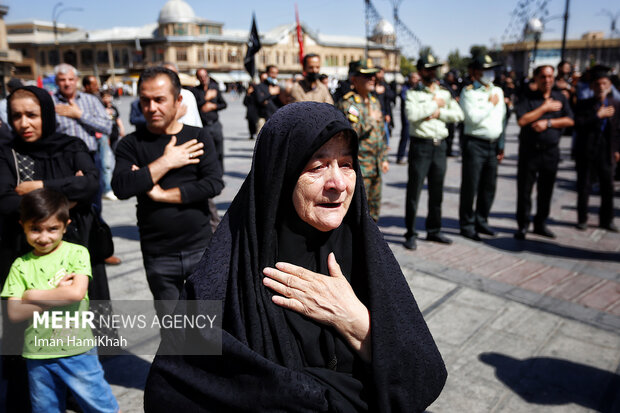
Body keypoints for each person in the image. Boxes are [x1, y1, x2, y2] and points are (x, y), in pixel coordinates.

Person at [144, 101, 447, 412]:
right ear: (280, 175)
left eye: (346, 164)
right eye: (317, 167)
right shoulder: (224, 272)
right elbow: (172, 389)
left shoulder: (366, 253)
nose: (339, 184)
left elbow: (423, 377)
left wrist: (355, 322)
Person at [0, 85, 114, 412]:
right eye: (16, 116)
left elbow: (91, 183)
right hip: (25, 250)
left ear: (47, 115)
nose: (24, 123)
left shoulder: (70, 145)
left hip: (74, 245)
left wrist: (38, 188)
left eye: (32, 115)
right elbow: (4, 199)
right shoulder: (5, 152)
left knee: (78, 320)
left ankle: (80, 390)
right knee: (26, 330)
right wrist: (66, 196)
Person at [111, 67, 224, 318]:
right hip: (158, 254)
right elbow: (121, 187)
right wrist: (166, 162)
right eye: (145, 100)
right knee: (173, 333)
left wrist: (162, 194)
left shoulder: (197, 137)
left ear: (178, 101)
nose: (151, 108)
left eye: (159, 100)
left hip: (200, 248)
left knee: (208, 327)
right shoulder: (131, 144)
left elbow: (213, 184)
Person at [1, 188, 119, 413]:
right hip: (38, 355)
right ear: (22, 225)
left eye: (52, 229)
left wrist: (32, 295)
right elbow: (14, 313)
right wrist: (57, 294)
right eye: (35, 229)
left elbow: (75, 294)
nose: (44, 237)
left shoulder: (77, 253)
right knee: (46, 408)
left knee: (101, 405)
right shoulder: (20, 265)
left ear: (65, 225)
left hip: (77, 350)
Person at [404, 54, 464, 250]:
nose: (432, 72)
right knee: (414, 190)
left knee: (437, 191)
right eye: (428, 69)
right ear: (420, 71)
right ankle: (411, 232)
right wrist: (434, 104)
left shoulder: (444, 92)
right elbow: (412, 115)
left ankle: (434, 230)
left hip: (440, 146)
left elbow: (458, 114)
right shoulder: (413, 93)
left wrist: (439, 113)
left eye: (434, 68)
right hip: (421, 146)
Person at [514, 65, 574, 240]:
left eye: (550, 76)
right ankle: (523, 225)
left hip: (550, 152)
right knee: (524, 190)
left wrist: (548, 123)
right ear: (536, 78)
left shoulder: (560, 97)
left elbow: (570, 120)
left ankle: (541, 223)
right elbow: (522, 120)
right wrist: (544, 109)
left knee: (546, 190)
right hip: (529, 151)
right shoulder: (527, 97)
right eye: (543, 77)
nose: (547, 80)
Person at [458, 55, 506, 241]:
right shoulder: (469, 93)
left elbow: (500, 119)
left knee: (489, 185)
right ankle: (467, 224)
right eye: (486, 69)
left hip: (492, 144)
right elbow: (472, 118)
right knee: (471, 185)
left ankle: (482, 219)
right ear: (476, 72)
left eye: (491, 69)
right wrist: (489, 104)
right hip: (475, 143)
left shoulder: (498, 91)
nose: (489, 73)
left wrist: (501, 144)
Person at [338, 59, 389, 222]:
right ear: (354, 79)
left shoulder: (374, 102)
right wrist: (370, 121)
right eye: (367, 76)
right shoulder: (349, 103)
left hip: (375, 165)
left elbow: (381, 133)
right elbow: (349, 135)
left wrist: (384, 158)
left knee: (374, 212)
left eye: (373, 76)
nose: (372, 79)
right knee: (358, 212)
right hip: (359, 166)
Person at [574, 68, 620, 231]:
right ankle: (582, 218)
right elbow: (577, 124)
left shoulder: (616, 104)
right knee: (584, 186)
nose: (601, 87)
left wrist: (617, 149)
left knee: (608, 187)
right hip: (586, 150)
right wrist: (597, 116)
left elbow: (617, 130)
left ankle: (607, 220)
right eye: (597, 84)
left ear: (609, 85)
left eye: (604, 84)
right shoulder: (583, 104)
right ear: (592, 86)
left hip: (607, 151)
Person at [82, 74, 117, 202]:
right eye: (94, 84)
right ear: (86, 86)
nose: (97, 87)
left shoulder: (97, 97)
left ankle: (106, 188)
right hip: (91, 137)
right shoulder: (83, 99)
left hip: (102, 134)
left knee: (106, 163)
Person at [191, 68, 226, 172]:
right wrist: (206, 99)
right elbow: (194, 107)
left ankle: (220, 173)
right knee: (207, 151)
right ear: (197, 78)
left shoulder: (214, 89)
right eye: (200, 77)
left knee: (219, 151)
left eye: (205, 76)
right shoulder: (195, 91)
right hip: (203, 125)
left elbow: (223, 104)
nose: (203, 79)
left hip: (215, 124)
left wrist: (213, 106)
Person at [396, 71, 421, 164]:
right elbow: (406, 99)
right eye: (414, 78)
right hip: (406, 117)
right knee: (405, 136)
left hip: (416, 117)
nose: (416, 80)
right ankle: (400, 156)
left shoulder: (418, 88)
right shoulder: (405, 88)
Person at [254, 65, 285, 130]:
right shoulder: (260, 86)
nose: (274, 75)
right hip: (264, 119)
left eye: (276, 73)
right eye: (272, 73)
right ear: (267, 73)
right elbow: (259, 100)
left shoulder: (279, 86)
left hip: (277, 118)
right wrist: (270, 94)